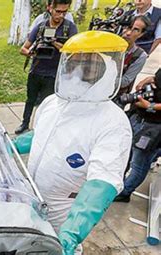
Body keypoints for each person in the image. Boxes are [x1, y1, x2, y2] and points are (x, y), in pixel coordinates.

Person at [13, 31, 132, 254]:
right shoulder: (52, 103)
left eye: (89, 68)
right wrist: (10, 146)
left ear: (107, 72)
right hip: (32, 198)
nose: (79, 72)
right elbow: (41, 136)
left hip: (64, 211)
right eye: (75, 64)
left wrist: (71, 233)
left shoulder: (113, 123)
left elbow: (102, 183)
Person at [15, 0, 77, 134]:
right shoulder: (40, 26)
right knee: (30, 100)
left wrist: (55, 43)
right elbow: (23, 49)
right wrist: (32, 52)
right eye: (58, 11)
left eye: (64, 12)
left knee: (46, 104)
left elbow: (73, 52)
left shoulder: (70, 28)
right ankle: (24, 123)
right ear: (50, 8)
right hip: (36, 70)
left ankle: (41, 129)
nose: (61, 15)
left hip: (54, 74)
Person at [114, 68, 161, 202]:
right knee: (125, 154)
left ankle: (125, 192)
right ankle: (117, 183)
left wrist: (150, 106)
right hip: (138, 118)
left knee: (139, 163)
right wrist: (150, 79)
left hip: (153, 128)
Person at [114, 15, 150, 107]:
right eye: (127, 27)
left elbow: (125, 81)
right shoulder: (108, 45)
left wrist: (101, 79)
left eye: (136, 30)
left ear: (141, 34)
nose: (128, 33)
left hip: (116, 96)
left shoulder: (140, 55)